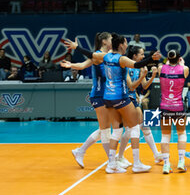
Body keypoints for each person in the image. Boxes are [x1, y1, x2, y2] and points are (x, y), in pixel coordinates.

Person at [66, 33, 161, 173]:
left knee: (116, 130)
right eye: (126, 42)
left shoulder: (105, 56)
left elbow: (90, 54)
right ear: (121, 44)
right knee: (134, 127)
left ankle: (112, 164)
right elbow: (137, 64)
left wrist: (77, 47)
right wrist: (151, 59)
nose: (127, 45)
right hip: (120, 96)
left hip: (107, 98)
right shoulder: (121, 59)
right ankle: (137, 164)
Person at [62, 32, 127, 173]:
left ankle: (81, 151)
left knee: (105, 128)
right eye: (110, 39)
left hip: (108, 95)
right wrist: (71, 64)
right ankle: (112, 162)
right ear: (104, 41)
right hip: (99, 95)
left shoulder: (108, 55)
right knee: (105, 130)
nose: (113, 41)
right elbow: (83, 65)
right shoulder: (98, 56)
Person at [116, 45, 162, 168]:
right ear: (134, 56)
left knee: (137, 128)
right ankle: (120, 157)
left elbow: (145, 86)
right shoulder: (126, 67)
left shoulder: (141, 67)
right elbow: (131, 86)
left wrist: (152, 76)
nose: (143, 56)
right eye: (141, 54)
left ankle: (120, 156)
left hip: (132, 98)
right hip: (124, 98)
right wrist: (142, 76)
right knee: (136, 128)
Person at [158, 50, 189, 174]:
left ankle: (166, 164)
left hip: (165, 107)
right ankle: (181, 162)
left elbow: (164, 64)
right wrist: (181, 64)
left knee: (165, 136)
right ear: (179, 58)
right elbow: (183, 68)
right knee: (181, 133)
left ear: (167, 58)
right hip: (178, 107)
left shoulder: (161, 68)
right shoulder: (184, 69)